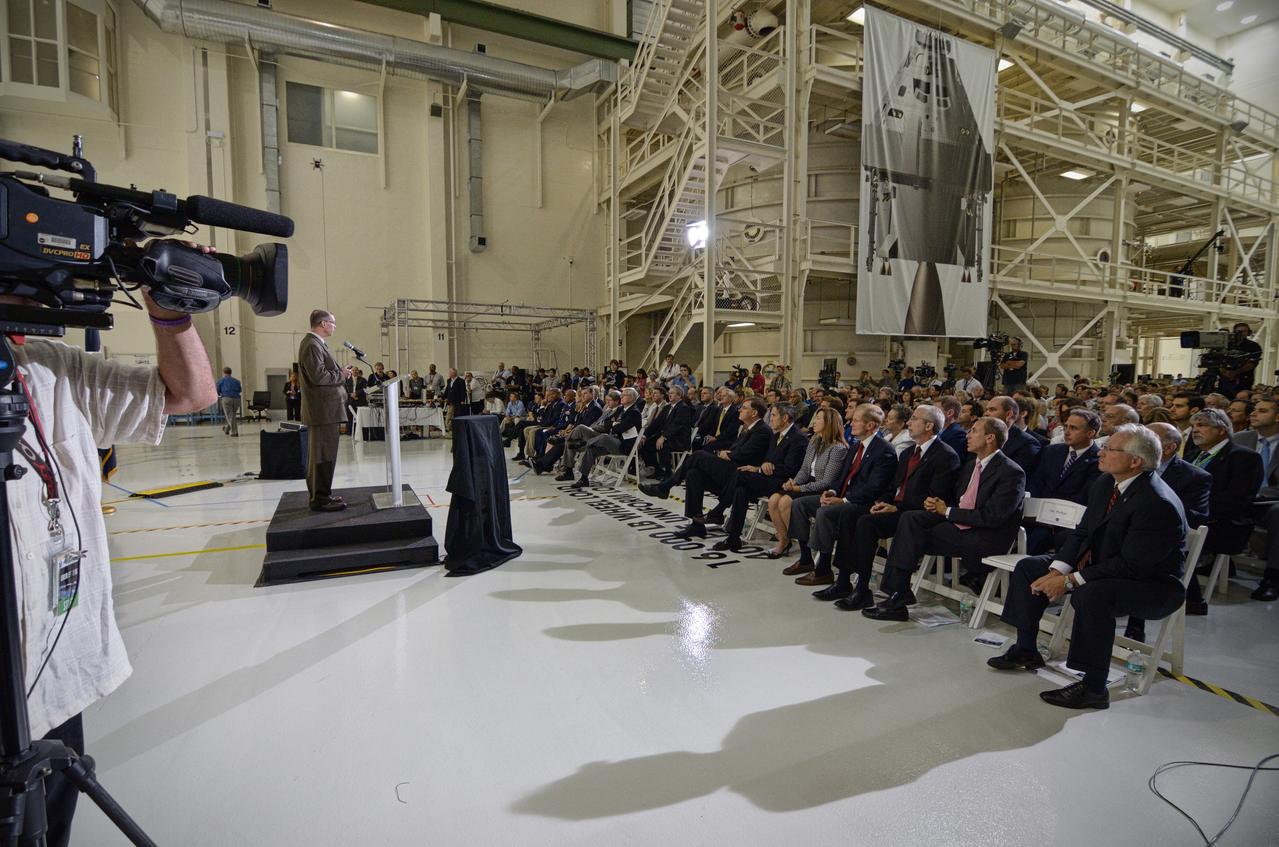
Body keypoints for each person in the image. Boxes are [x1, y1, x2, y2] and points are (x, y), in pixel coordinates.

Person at [5, 279, 216, 847]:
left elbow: (192, 392)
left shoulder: (52, 367)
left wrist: (170, 314)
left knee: (50, 828)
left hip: (51, 680)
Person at [990, 425, 1187, 711]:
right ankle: (1026, 649)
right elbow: (1083, 533)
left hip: (1152, 584)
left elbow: (1133, 565)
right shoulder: (1107, 483)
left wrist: (1070, 581)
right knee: (1030, 567)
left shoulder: (1157, 502)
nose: (1101, 452)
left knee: (1090, 594)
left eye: (1110, 449)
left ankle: (1094, 687)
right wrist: (1059, 570)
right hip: (1106, 565)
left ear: (1135, 461)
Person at [862, 417, 1026, 619]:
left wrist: (946, 511)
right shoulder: (971, 466)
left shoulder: (1011, 472)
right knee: (911, 519)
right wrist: (937, 504)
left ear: (990, 438)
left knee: (910, 534)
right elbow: (960, 500)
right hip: (960, 526)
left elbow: (992, 517)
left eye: (974, 431)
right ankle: (898, 592)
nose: (968, 435)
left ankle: (897, 594)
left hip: (984, 536)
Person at [829, 407, 962, 609]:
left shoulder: (945, 455)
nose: (909, 423)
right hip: (897, 509)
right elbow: (893, 487)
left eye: (914, 419)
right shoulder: (909, 452)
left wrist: (896, 508)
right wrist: (882, 502)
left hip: (918, 513)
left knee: (866, 522)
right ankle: (852, 584)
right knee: (857, 516)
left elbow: (936, 497)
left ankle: (884, 589)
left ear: (929, 426)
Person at [785, 403, 898, 584]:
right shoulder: (855, 447)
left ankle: (823, 569)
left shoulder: (884, 450)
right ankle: (806, 559)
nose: (850, 423)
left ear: (870, 425)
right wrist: (831, 492)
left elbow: (873, 488)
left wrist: (843, 500)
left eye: (855, 420)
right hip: (843, 497)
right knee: (799, 504)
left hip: (862, 502)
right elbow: (841, 478)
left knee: (825, 512)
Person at [1182, 407, 1264, 614]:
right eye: (1193, 426)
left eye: (1202, 425)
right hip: (1193, 518)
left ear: (1222, 430)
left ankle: (1192, 599)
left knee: (1164, 533)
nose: (1195, 430)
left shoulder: (1243, 457)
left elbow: (1236, 500)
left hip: (1223, 523)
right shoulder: (1194, 454)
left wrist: (1194, 515)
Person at [710, 404, 810, 552]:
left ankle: (718, 511)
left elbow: (792, 468)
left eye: (774, 415)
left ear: (785, 418)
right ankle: (733, 538)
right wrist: (760, 467)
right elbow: (766, 459)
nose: (770, 419)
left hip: (785, 482)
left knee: (740, 476)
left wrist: (765, 469)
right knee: (740, 490)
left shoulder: (798, 438)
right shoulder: (776, 435)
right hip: (768, 478)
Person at [763, 407, 849, 558]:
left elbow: (827, 482)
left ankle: (804, 547)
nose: (813, 421)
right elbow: (804, 470)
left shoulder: (838, 449)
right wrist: (793, 482)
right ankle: (784, 540)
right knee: (773, 499)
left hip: (823, 489)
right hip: (807, 483)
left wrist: (798, 488)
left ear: (829, 423)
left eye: (818, 418)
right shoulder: (814, 441)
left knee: (784, 502)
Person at [1024, 409, 1102, 554]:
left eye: (1073, 428)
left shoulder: (1098, 461)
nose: (1066, 432)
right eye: (1066, 426)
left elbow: (1085, 496)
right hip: (1037, 516)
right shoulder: (1051, 451)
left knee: (1037, 540)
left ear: (1091, 433)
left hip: (1068, 523)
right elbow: (1036, 482)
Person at [299, 310, 351, 512]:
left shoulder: (317, 344)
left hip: (326, 410)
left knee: (326, 454)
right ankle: (319, 498)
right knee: (321, 455)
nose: (334, 326)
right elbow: (318, 377)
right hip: (322, 411)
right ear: (323, 323)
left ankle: (323, 494)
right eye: (333, 323)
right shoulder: (312, 344)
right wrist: (342, 374)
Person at [1231, 394, 1279, 600]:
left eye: (1262, 410)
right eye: (1254, 409)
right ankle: (1208, 559)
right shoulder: (1241, 439)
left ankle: (1273, 576)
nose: (1254, 413)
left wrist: (1260, 494)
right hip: (1242, 497)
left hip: (1272, 500)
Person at [571, 387, 643, 488]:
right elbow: (607, 423)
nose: (621, 396)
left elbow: (620, 428)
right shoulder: (621, 409)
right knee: (591, 449)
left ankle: (582, 444)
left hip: (624, 445)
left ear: (631, 398)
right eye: (621, 394)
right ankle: (583, 479)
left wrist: (614, 425)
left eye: (624, 395)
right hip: (614, 441)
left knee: (604, 437)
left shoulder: (634, 412)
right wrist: (614, 424)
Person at [1219, 322, 1261, 395]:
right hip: (1224, 379)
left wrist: (1235, 372)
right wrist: (1224, 372)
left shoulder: (1254, 346)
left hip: (1244, 379)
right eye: (1238, 331)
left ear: (1248, 333)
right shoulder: (1226, 345)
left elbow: (1252, 364)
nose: (1241, 333)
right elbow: (1218, 360)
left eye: (1244, 331)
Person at [217, 366, 242, 436]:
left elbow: (217, 390)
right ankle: (226, 429)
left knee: (230, 416)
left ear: (224, 373)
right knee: (232, 415)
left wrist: (220, 394)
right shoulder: (237, 381)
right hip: (237, 399)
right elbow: (240, 390)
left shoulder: (221, 381)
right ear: (231, 373)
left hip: (227, 399)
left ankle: (234, 432)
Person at [444, 367, 468, 432]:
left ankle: (455, 429)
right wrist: (444, 397)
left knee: (456, 416)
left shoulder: (461, 381)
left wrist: (462, 400)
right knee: (448, 415)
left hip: (458, 401)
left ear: (454, 373)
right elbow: (447, 389)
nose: (449, 373)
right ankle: (448, 428)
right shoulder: (449, 380)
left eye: (450, 372)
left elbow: (463, 391)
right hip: (450, 401)